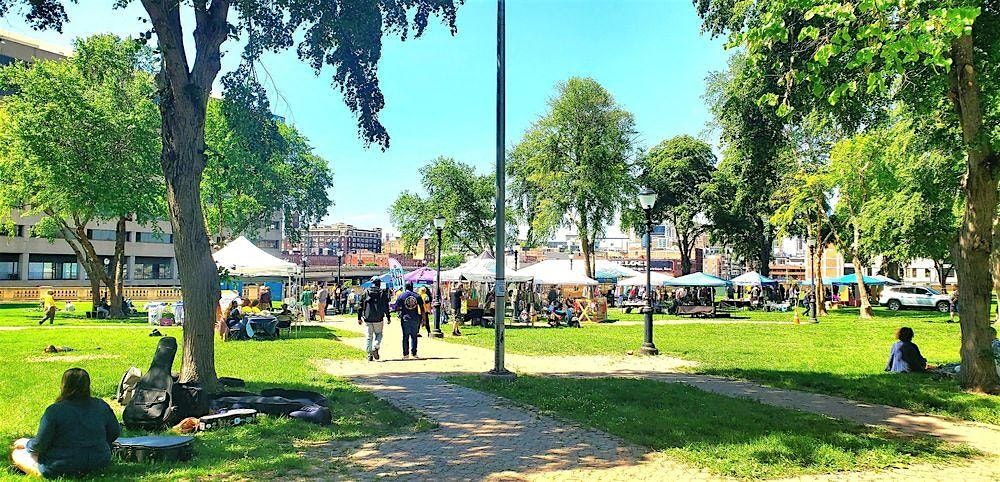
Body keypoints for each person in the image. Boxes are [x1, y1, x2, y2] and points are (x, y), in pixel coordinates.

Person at [11, 368, 120, 478]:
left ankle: (40, 473)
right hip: (99, 461)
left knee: (17, 453)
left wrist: (26, 443)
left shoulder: (54, 410)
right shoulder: (101, 405)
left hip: (62, 464)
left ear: (64, 386)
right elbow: (114, 432)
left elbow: (40, 445)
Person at [357, 278, 391, 361]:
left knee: (369, 336)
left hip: (367, 317)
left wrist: (359, 318)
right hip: (379, 317)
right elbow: (386, 306)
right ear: (379, 283)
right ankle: (375, 346)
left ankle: (369, 355)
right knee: (379, 334)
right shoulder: (382, 293)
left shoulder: (365, 292)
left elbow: (360, 305)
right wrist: (388, 317)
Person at [395, 283, 424, 359]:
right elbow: (422, 308)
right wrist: (424, 319)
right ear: (412, 287)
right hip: (415, 318)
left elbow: (396, 307)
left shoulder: (401, 296)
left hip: (405, 318)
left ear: (405, 287)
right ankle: (414, 353)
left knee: (405, 336)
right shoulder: (417, 296)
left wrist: (402, 309)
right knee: (414, 336)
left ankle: (405, 354)